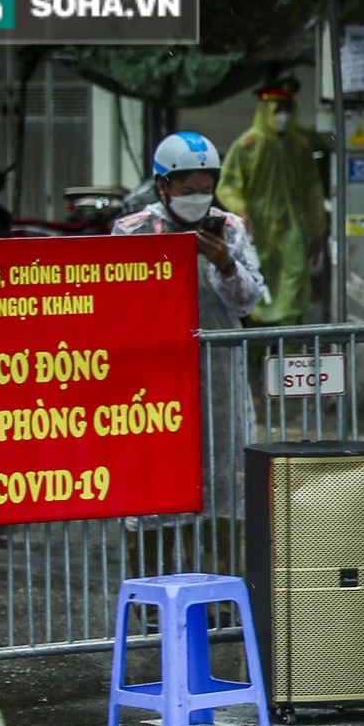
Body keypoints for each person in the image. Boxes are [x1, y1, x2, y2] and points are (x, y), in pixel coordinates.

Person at [113, 132, 268, 558]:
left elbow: (251, 299)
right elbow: (114, 305)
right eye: (186, 190)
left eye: (205, 189)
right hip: (154, 382)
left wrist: (224, 264)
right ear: (162, 185)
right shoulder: (133, 231)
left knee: (223, 487)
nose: (197, 198)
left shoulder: (229, 229)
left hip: (219, 384)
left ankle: (221, 604)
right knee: (154, 489)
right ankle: (152, 612)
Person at [217, 82, 327, 325]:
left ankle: (290, 355)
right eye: (277, 109)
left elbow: (312, 191)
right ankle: (259, 357)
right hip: (257, 232)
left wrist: (317, 231)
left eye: (287, 108)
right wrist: (240, 210)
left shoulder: (299, 147)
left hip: (293, 233)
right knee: (257, 289)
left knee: (293, 286)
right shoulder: (247, 146)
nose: (283, 115)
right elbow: (228, 185)